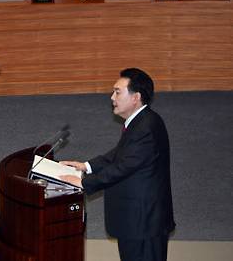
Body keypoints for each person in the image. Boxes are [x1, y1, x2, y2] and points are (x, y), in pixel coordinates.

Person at [60, 68, 175, 261]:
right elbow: (121, 154)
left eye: (117, 92)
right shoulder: (141, 121)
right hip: (138, 221)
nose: (112, 97)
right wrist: (86, 166)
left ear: (135, 97)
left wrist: (84, 183)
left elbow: (123, 167)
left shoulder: (145, 127)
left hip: (143, 224)